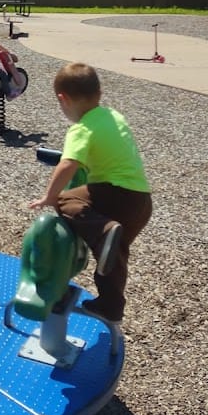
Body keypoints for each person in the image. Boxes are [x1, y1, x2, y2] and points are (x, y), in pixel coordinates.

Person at [28, 62, 152, 324]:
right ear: (99, 92)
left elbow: (68, 163)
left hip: (115, 194)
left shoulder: (81, 128)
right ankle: (110, 307)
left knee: (66, 200)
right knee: (114, 256)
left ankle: (103, 229)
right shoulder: (114, 116)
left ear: (63, 99)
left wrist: (50, 196)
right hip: (141, 201)